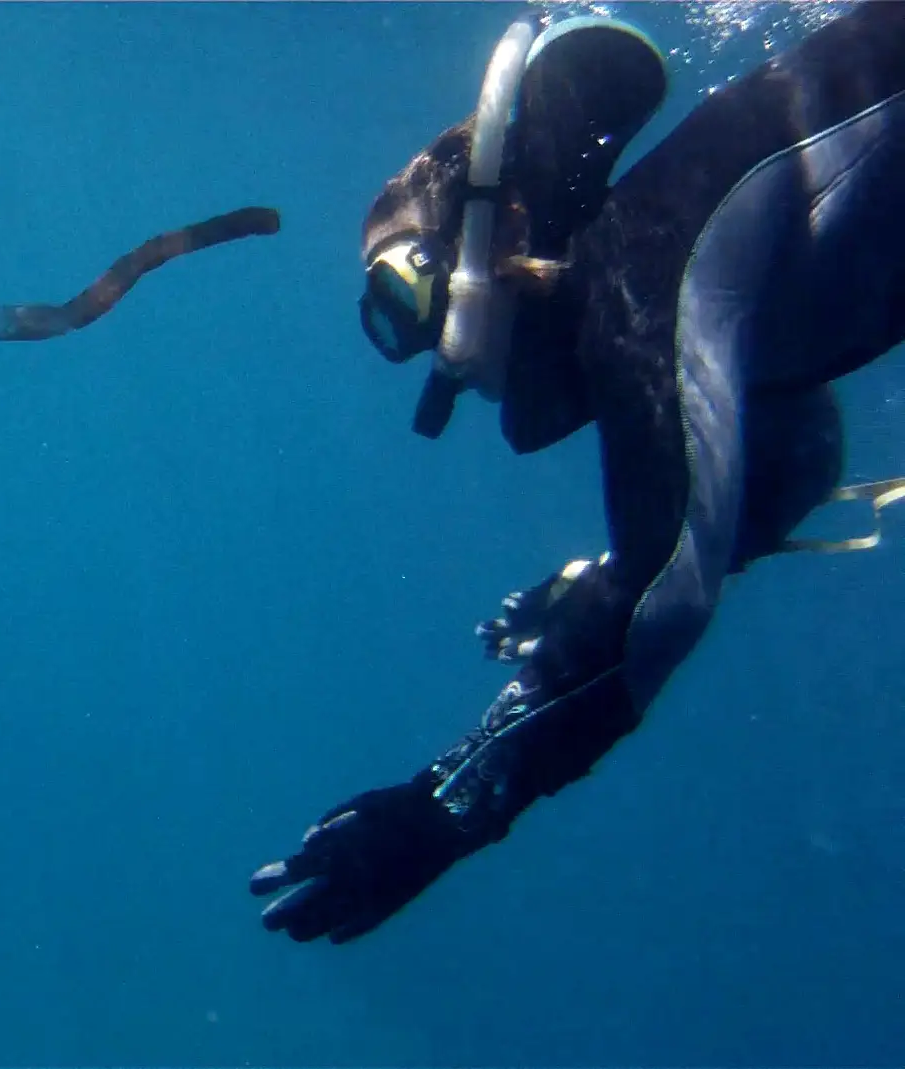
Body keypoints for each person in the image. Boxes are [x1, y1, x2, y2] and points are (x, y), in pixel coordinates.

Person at [250, 2, 905, 945]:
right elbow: (794, 455)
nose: (430, 352)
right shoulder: (656, 273)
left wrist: (452, 806)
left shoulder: (647, 262)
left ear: (492, 230)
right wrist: (596, 586)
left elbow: (665, 601)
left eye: (407, 296)